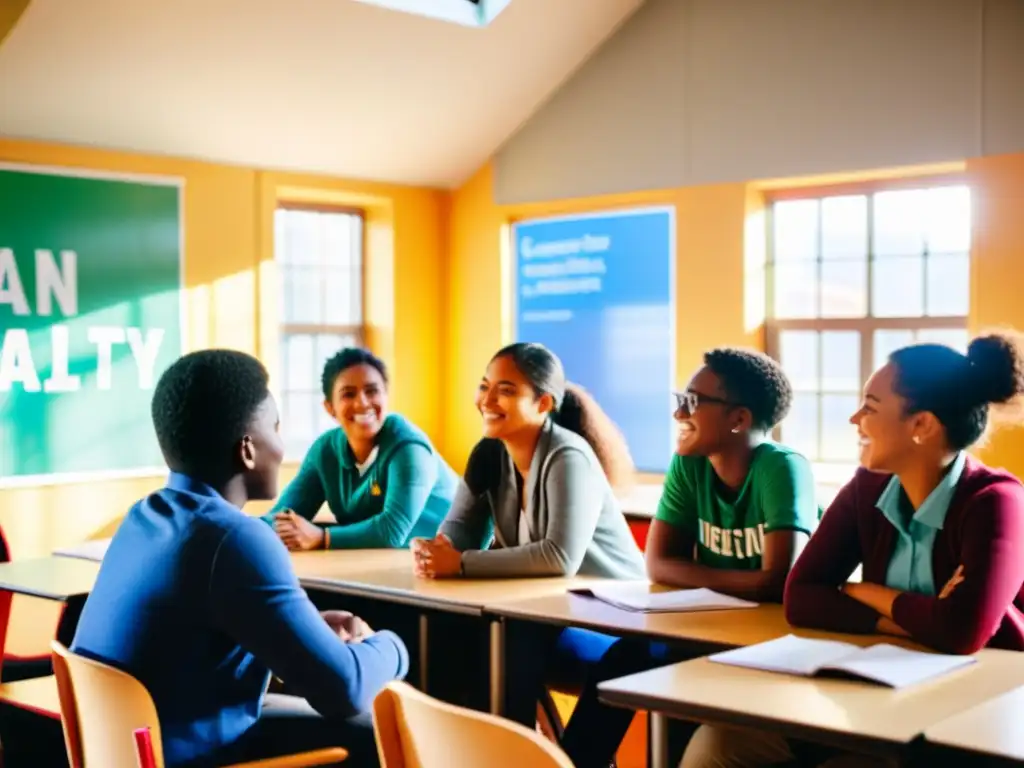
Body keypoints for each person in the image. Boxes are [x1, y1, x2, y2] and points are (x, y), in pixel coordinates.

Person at [685, 333, 1024, 768]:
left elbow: (961, 631)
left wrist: (860, 592)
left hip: (974, 716)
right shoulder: (868, 487)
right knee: (717, 744)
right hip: (877, 694)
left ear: (921, 425)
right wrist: (914, 618)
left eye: (870, 407)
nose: (854, 418)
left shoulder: (997, 501)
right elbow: (802, 596)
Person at [71, 350, 409, 768]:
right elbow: (345, 689)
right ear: (247, 449)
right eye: (276, 428)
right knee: (386, 728)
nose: (283, 447)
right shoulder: (234, 539)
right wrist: (395, 646)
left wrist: (307, 628)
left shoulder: (143, 518)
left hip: (131, 750)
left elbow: (199, 631)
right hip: (197, 755)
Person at [412, 342, 647, 768]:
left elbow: (559, 558)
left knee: (511, 637)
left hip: (615, 619)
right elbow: (459, 531)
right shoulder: (489, 453)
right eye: (484, 387)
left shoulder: (568, 455)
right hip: (548, 613)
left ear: (543, 403)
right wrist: (436, 551)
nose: (486, 400)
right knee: (458, 632)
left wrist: (460, 564)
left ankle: (534, 760)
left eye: (505, 390)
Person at [646, 347, 819, 602]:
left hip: (775, 629)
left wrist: (692, 576)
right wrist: (753, 582)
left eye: (692, 402)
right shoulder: (689, 463)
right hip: (712, 620)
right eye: (681, 400)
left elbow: (780, 581)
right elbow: (659, 566)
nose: (679, 413)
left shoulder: (783, 467)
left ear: (739, 419)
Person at [266, 347, 457, 550]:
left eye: (372, 391)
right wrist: (240, 528)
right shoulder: (325, 451)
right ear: (330, 407)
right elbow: (281, 517)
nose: (362, 402)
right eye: (348, 394)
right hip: (387, 561)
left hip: (454, 563)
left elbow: (392, 532)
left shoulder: (409, 448)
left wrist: (322, 536)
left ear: (385, 396)